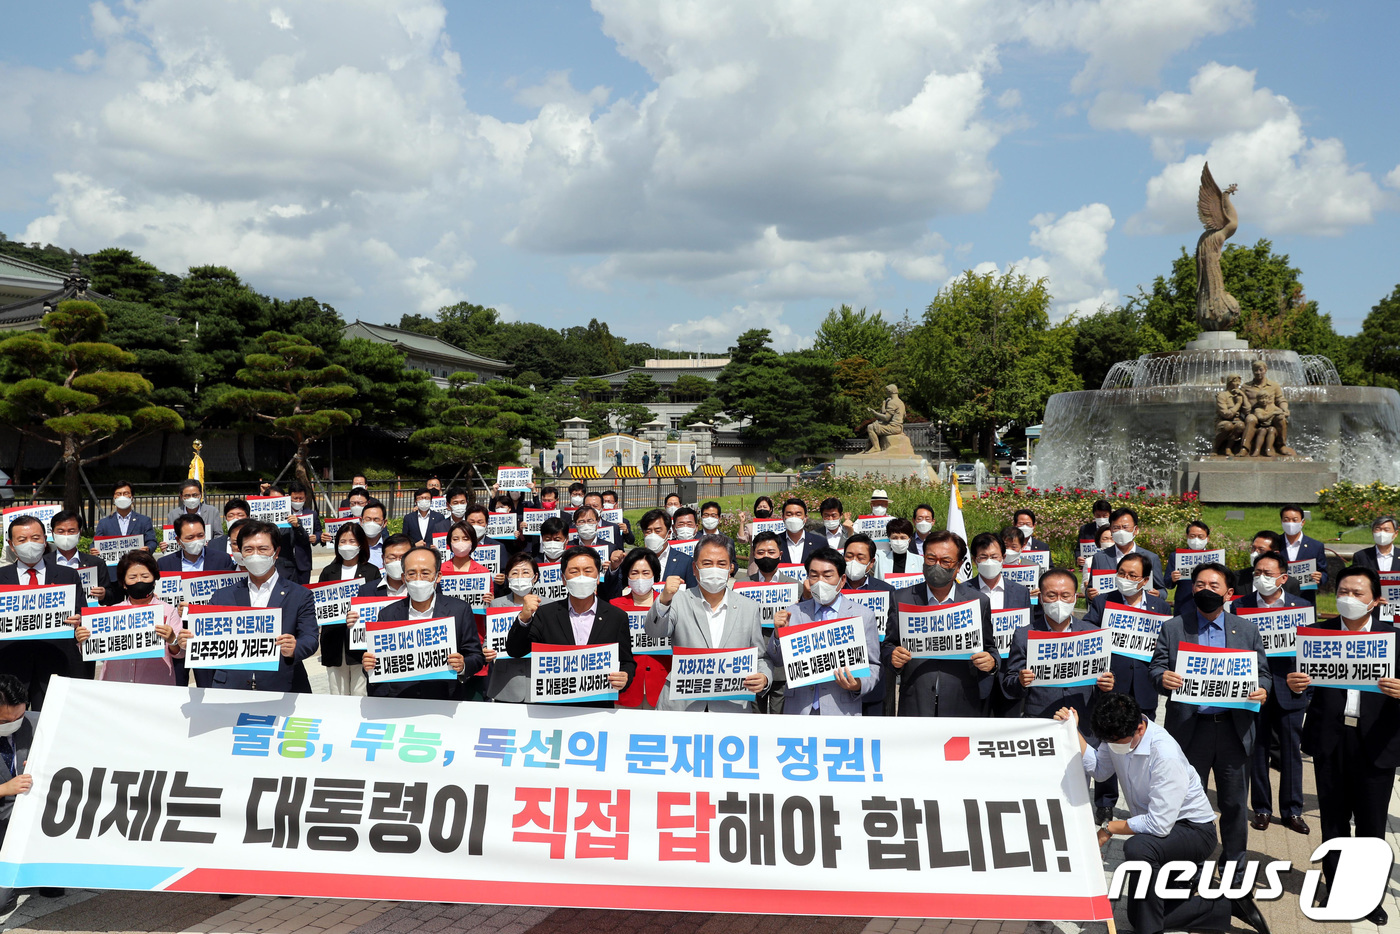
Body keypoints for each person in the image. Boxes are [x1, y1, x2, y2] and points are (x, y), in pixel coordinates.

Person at [1057, 694, 1270, 934]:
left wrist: (1108, 829)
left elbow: (1159, 824)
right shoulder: (1120, 734)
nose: (1112, 746)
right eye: (1108, 741)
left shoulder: (1164, 753)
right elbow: (1099, 769)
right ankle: (1222, 905)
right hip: (1158, 831)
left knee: (1138, 848)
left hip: (1193, 830)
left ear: (1140, 728)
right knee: (1138, 916)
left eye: (1116, 741)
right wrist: (1073, 731)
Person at [1285, 566, 1399, 926]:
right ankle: (1335, 888)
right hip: (1330, 739)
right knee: (1333, 822)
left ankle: (1368, 896)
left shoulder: (1393, 637)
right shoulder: (1317, 635)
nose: (1348, 599)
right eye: (1343, 592)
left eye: (1357, 593)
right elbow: (1295, 680)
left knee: (1371, 826)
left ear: (1376, 601)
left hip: (1377, 742)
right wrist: (1295, 683)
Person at [1151, 562, 1270, 881]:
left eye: (1213, 586)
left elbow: (1264, 673)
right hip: (1190, 730)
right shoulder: (1174, 628)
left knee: (1233, 804)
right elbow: (1156, 669)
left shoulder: (1246, 630)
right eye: (1200, 585)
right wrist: (1163, 678)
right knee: (1189, 803)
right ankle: (1190, 863)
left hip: (1233, 730)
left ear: (1229, 593)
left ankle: (1234, 865)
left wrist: (1262, 689)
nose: (1205, 590)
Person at [1082, 552, 1172, 824]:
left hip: (1144, 686)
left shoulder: (1160, 608)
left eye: (1133, 576)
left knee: (1142, 746)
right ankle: (1105, 802)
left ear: (1145, 580)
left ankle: (1143, 803)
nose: (1125, 579)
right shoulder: (1103, 601)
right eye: (1121, 573)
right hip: (1111, 685)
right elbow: (1087, 638)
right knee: (1107, 744)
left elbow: (1163, 649)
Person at [182, 521, 318, 693]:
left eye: (262, 549)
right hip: (232, 688)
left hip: (283, 686)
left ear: (276, 552)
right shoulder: (222, 596)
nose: (255, 555)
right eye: (248, 549)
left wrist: (295, 647)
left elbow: (311, 637)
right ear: (241, 555)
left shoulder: (300, 595)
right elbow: (205, 639)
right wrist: (189, 641)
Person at [1234, 551, 1311, 835]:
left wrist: (1304, 681)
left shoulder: (1300, 607)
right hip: (1253, 689)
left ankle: (1292, 810)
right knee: (1258, 750)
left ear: (1283, 577)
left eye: (1268, 573)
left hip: (1289, 690)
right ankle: (1262, 808)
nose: (1262, 578)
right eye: (1257, 573)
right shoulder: (1239, 607)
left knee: (1291, 752)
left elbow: (1309, 653)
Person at [647, 535, 770, 712]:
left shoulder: (749, 608)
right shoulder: (678, 600)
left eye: (721, 564)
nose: (714, 569)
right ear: (695, 569)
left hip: (731, 708)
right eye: (706, 563)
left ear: (731, 568)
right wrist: (664, 599)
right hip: (683, 707)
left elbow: (760, 657)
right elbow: (654, 632)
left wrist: (764, 677)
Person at [504, 545, 635, 708]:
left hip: (598, 708)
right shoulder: (545, 614)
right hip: (553, 709)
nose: (581, 577)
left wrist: (625, 677)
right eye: (574, 571)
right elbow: (516, 650)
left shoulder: (617, 617)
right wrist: (524, 617)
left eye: (588, 571)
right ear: (564, 579)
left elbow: (627, 662)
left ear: (597, 577)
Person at [887, 530, 997, 717]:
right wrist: (893, 656)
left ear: (958, 565)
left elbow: (990, 648)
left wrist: (991, 662)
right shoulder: (901, 598)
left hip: (962, 702)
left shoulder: (978, 602)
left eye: (945, 561)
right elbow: (889, 644)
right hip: (915, 702)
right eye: (931, 559)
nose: (937, 566)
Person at [360, 546, 484, 702]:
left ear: (438, 576)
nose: (418, 579)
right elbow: (376, 664)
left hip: (444, 698)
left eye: (425, 573)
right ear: (404, 578)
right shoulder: (388, 614)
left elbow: (476, 656)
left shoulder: (459, 610)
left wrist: (462, 665)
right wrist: (368, 665)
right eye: (412, 573)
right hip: (401, 700)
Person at [767, 547, 878, 716]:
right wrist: (777, 634)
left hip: (840, 709)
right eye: (814, 575)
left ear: (842, 580)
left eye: (827, 576)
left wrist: (858, 684)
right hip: (799, 709)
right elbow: (777, 660)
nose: (820, 582)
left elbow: (874, 665)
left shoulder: (863, 615)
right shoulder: (793, 612)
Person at [1004, 567, 1113, 723]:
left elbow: (1103, 676)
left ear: (1075, 598)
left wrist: (1106, 685)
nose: (1058, 601)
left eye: (1065, 596)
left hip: (1083, 721)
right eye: (1051, 595)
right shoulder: (1023, 635)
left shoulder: (1093, 633)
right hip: (1040, 721)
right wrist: (1020, 681)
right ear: (1041, 598)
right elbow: (1009, 685)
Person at [0, 516, 85, 710]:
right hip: (9, 667)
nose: (29, 544)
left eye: (35, 537)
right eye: (22, 540)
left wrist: (78, 621)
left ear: (45, 540)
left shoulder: (67, 575)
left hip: (54, 666)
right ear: (11, 545)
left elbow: (82, 614)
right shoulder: (1, 579)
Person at [75, 551, 183, 685]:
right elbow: (91, 649)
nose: (139, 581)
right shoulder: (111, 612)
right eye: (132, 577)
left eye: (145, 576)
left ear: (154, 580)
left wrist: (172, 639)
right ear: (124, 583)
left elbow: (180, 653)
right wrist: (82, 640)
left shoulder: (168, 610)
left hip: (155, 686)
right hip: (116, 685)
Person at [318, 522, 381, 696]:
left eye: (352, 541)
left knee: (360, 692)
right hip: (334, 641)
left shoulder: (371, 572)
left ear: (361, 544)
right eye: (343, 541)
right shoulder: (328, 572)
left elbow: (376, 605)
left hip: (360, 643)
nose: (347, 545)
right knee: (337, 692)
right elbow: (320, 606)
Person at [0, 675, 38, 914]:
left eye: (19, 717)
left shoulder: (37, 725)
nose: (13, 723)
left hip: (31, 822)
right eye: (4, 720)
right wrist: (5, 789)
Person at [486, 552, 541, 703]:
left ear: (535, 577)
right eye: (515, 573)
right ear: (508, 577)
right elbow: (488, 638)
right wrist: (486, 650)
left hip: (536, 683)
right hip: (505, 684)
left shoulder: (548, 605)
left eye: (525, 572)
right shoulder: (496, 604)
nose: (520, 577)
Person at [1090, 507, 1165, 594]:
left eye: (1125, 527)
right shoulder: (1100, 558)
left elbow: (1162, 590)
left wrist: (1158, 594)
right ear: (1111, 530)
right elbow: (1091, 589)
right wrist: (1091, 595)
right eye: (1116, 527)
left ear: (1135, 530)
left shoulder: (1151, 558)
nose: (1121, 531)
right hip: (1110, 606)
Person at [49, 511, 111, 607]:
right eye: (61, 531)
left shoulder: (96, 563)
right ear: (53, 533)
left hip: (86, 616)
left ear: (79, 533)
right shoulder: (43, 563)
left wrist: (103, 595)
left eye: (71, 531)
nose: (66, 535)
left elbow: (111, 596)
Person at [636, 509, 697, 590]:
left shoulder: (685, 561)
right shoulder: (636, 560)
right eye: (648, 531)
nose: (652, 535)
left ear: (668, 533)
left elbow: (692, 593)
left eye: (657, 531)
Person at [1279, 504, 1326, 605]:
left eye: (1295, 520)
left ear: (1302, 522)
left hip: (1305, 598)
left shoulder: (1316, 546)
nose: (1290, 523)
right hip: (1279, 599)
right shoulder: (1275, 544)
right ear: (1281, 521)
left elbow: (1324, 572)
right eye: (1286, 520)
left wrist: (1320, 577)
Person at [158, 515, 236, 576]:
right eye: (190, 537)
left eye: (200, 535)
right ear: (178, 540)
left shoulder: (222, 560)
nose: (196, 540)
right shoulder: (164, 564)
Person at [94, 480, 157, 550]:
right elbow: (95, 543)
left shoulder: (144, 521)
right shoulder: (104, 523)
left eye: (126, 493)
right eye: (118, 494)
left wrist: (148, 548)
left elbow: (152, 542)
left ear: (132, 497)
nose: (122, 497)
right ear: (113, 498)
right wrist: (94, 550)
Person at [1166, 520, 1214, 609]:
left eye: (1200, 537)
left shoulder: (1214, 557)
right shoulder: (1176, 556)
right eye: (1192, 536)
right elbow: (1167, 583)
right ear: (1187, 536)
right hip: (1184, 603)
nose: (1196, 540)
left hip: (1209, 603)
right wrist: (1172, 579)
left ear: (1207, 538)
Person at [778, 498, 826, 566]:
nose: (794, 518)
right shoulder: (775, 541)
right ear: (783, 517)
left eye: (798, 514)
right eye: (789, 514)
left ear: (805, 518)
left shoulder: (820, 542)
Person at [698, 500, 738, 566]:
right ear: (701, 517)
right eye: (706, 515)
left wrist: (733, 569)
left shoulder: (728, 541)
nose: (709, 518)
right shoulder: (694, 538)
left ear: (719, 519)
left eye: (713, 515)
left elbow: (733, 563)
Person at [1076, 499, 1113, 568]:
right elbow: (1078, 549)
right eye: (1098, 516)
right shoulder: (1085, 529)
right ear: (1094, 514)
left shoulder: (1115, 529)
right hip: (1089, 566)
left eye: (1105, 516)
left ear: (1110, 515)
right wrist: (1078, 558)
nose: (1101, 518)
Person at [359, 499, 388, 569]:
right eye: (368, 519)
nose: (372, 523)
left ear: (384, 523)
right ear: (361, 521)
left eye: (376, 519)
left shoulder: (390, 546)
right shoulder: (354, 545)